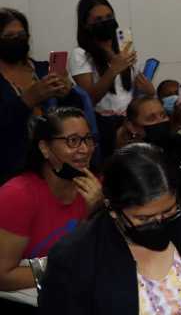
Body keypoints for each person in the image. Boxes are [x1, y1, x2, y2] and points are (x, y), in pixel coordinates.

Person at [37, 143, 181, 314]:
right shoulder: (77, 255)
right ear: (112, 208)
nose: (159, 223)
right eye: (144, 219)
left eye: (168, 212)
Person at [0, 107, 101, 292]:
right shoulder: (17, 195)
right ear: (45, 148)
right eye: (73, 141)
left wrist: (95, 211)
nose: (85, 149)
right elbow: (3, 276)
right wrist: (63, 266)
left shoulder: (95, 187)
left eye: (88, 139)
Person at [70, 0, 155, 160]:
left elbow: (129, 93)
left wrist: (149, 91)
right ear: (86, 24)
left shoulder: (123, 48)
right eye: (98, 19)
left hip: (133, 122)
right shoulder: (80, 54)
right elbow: (89, 99)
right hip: (104, 126)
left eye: (109, 17)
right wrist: (114, 69)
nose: (106, 22)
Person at [0, 8, 79, 184]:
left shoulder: (44, 69)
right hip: (11, 171)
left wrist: (68, 94)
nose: (17, 40)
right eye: (9, 36)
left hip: (55, 166)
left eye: (22, 35)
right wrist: (25, 101)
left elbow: (75, 114)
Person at [115, 97, 181, 208]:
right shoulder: (129, 160)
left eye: (163, 116)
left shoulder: (180, 142)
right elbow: (143, 203)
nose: (160, 122)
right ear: (133, 127)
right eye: (151, 118)